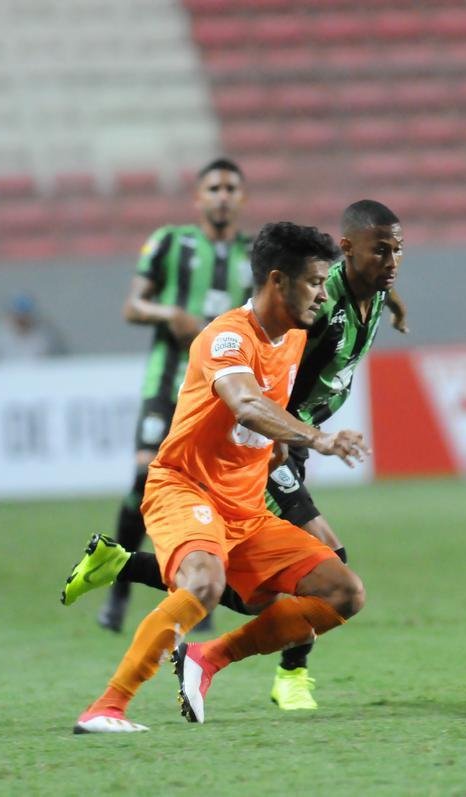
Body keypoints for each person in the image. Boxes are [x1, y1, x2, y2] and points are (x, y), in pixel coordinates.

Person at [62, 200, 406, 712]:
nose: (392, 261)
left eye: (397, 251)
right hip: (265, 454)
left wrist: (393, 300)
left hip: (270, 457)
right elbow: (249, 403)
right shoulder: (292, 321)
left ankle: (133, 573)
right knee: (238, 584)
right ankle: (283, 675)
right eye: (383, 251)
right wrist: (312, 438)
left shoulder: (364, 295)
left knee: (276, 592)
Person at [97, 158, 253, 634]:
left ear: (241, 198)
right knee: (146, 475)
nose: (222, 195)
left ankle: (197, 590)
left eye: (231, 188)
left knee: (211, 490)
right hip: (168, 384)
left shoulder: (257, 254)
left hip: (222, 391)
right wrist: (173, 314)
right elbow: (132, 305)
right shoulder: (171, 242)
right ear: (199, 197)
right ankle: (119, 583)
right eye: (214, 187)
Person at [0, 292, 67, 360]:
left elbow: (59, 361)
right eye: (18, 315)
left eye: (26, 315)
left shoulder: (45, 337)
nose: (22, 319)